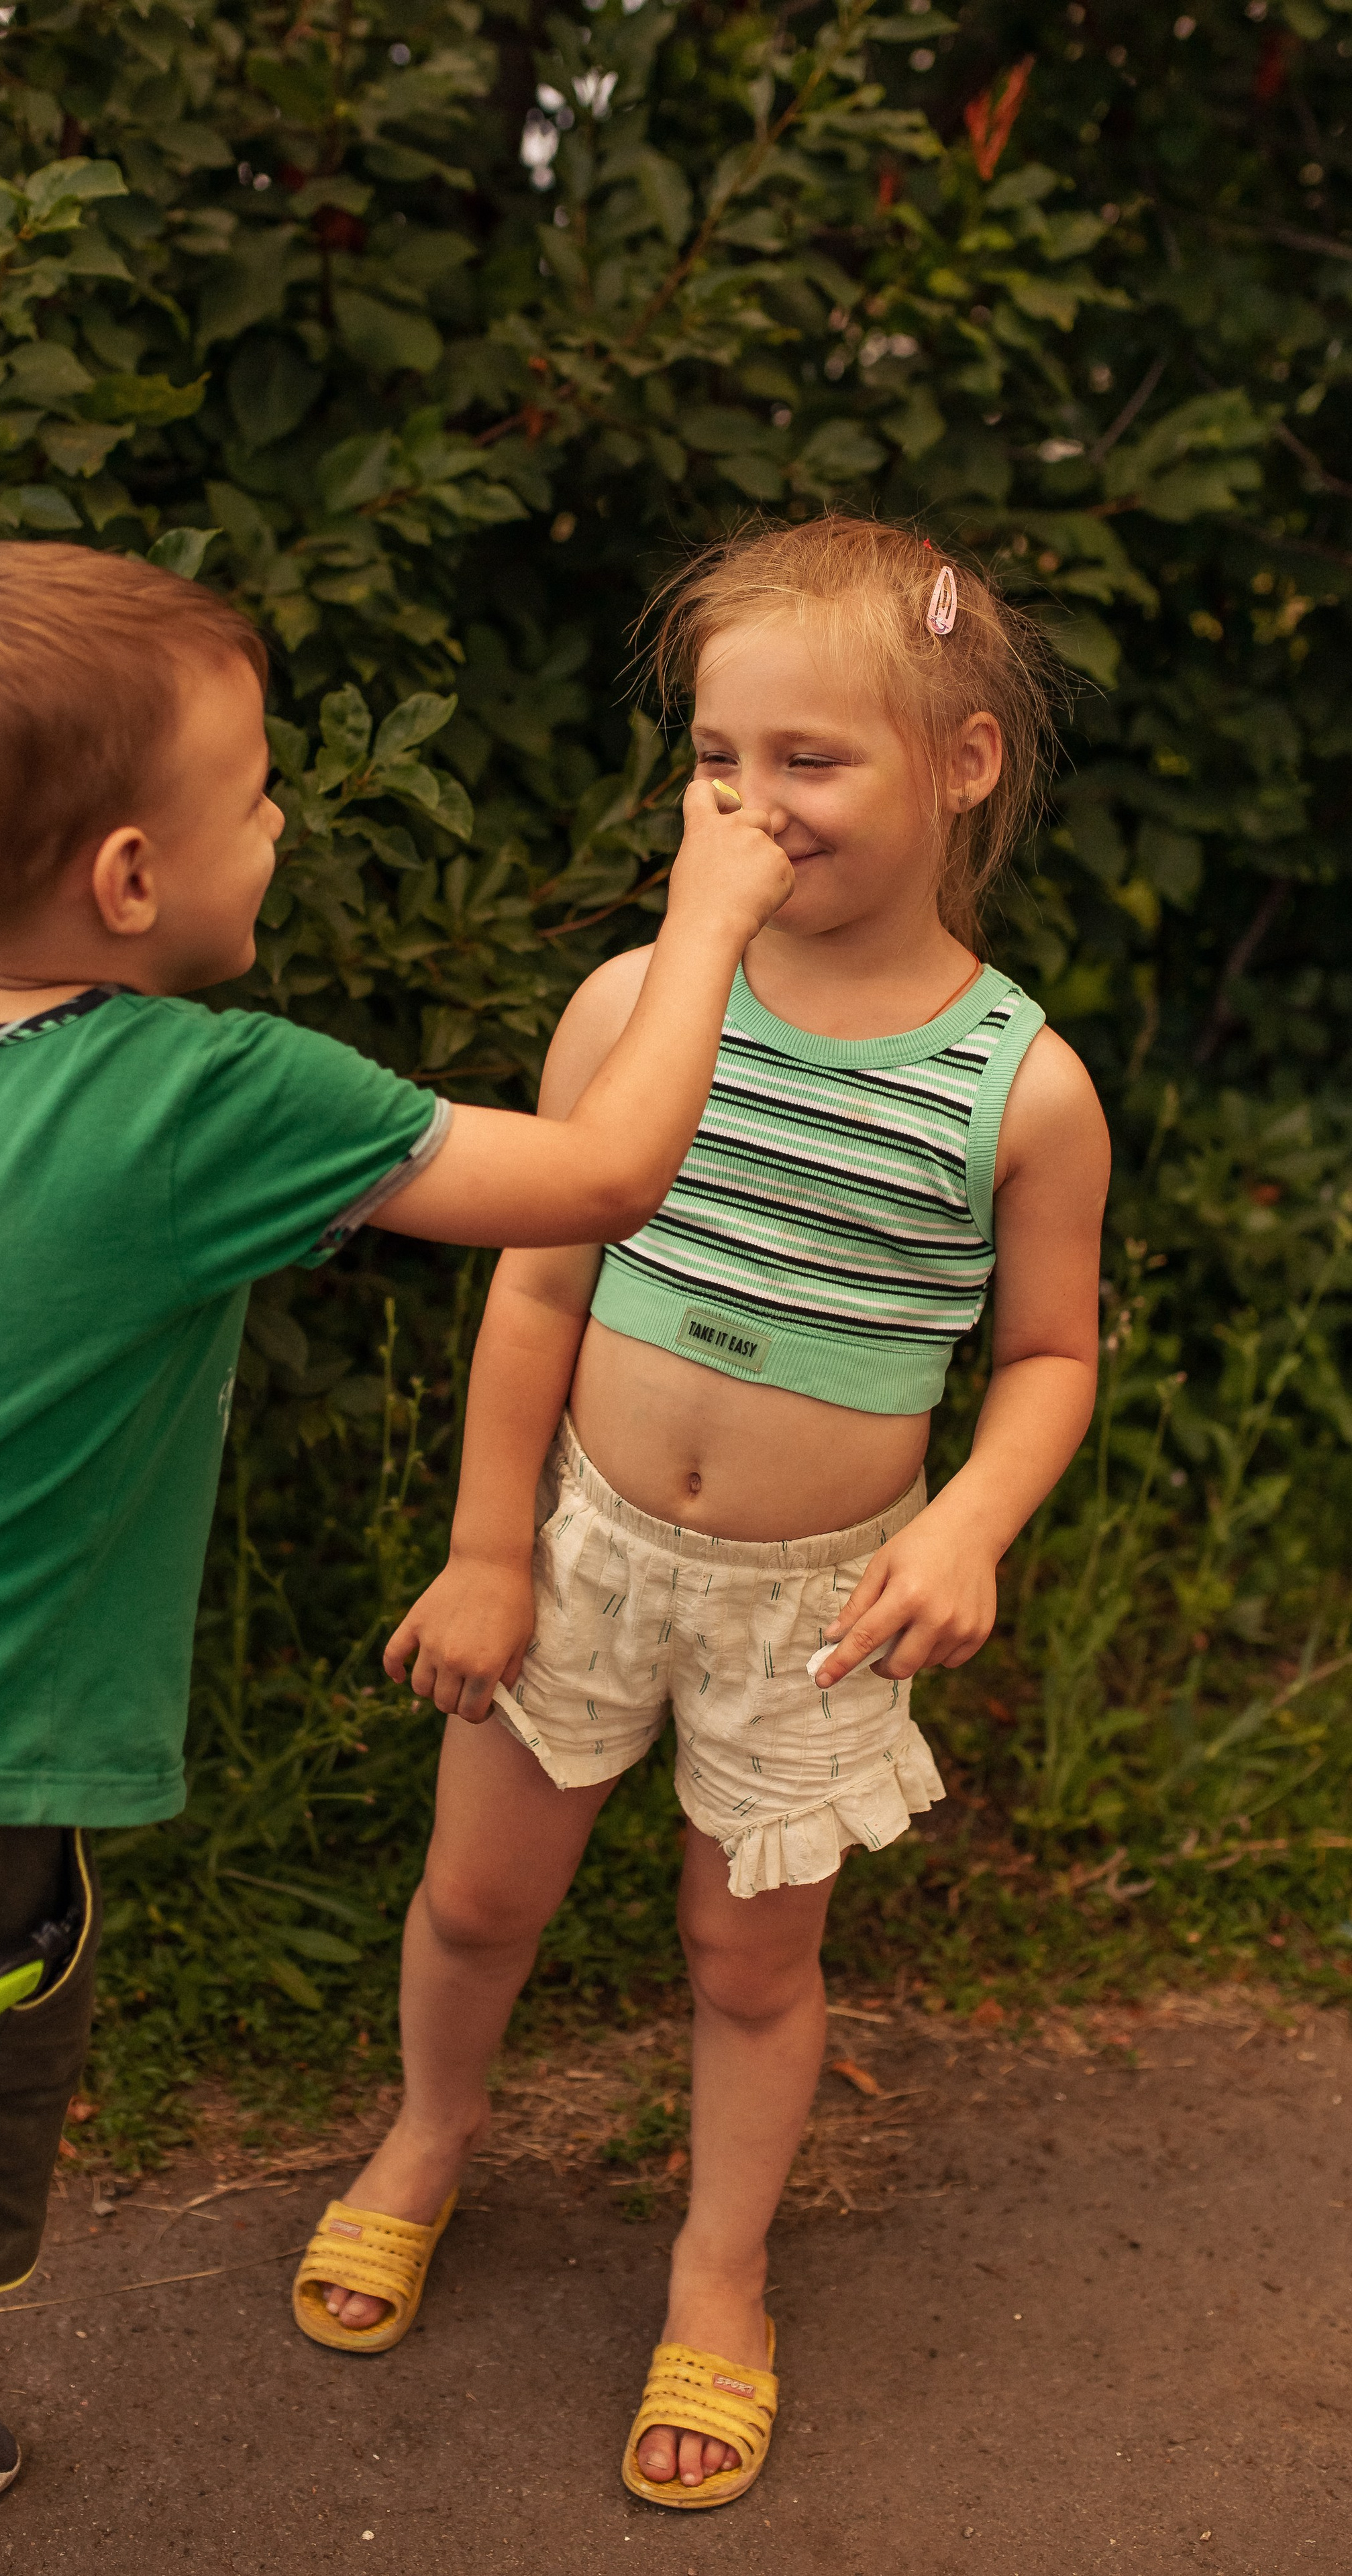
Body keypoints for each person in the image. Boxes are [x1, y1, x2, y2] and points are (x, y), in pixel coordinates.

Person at [0, 539, 793, 2576]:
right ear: (130, 880)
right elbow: (608, 1177)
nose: (279, 825)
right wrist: (706, 917)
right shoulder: (205, 1094)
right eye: (256, 795)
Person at [294, 516, 1111, 2513]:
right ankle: (424, 2138)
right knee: (479, 1899)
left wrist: (972, 1523)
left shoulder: (1023, 1089)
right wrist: (491, 1548)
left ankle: (719, 2270)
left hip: (817, 1609)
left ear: (965, 764)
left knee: (748, 1965)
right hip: (582, 1553)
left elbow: (1048, 1361)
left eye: (808, 761)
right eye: (719, 761)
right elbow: (543, 1282)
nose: (751, 805)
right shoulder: (634, 1009)